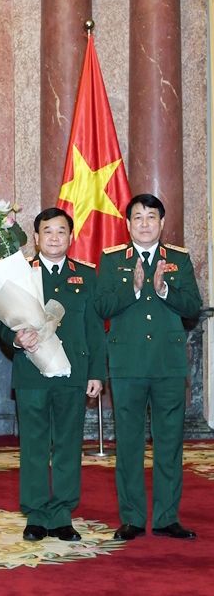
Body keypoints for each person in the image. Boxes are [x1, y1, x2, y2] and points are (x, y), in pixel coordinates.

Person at [95, 194, 202, 541]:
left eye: (151, 217)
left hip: (168, 364)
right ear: (128, 224)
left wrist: (163, 288)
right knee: (129, 445)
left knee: (169, 444)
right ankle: (132, 518)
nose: (144, 223)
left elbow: (193, 307)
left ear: (162, 223)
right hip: (127, 364)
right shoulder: (112, 260)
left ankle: (167, 517)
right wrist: (134, 288)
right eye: (138, 217)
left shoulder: (178, 259)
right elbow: (101, 307)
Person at [0, 207, 105, 542]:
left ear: (70, 237)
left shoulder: (86, 276)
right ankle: (36, 515)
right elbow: (3, 323)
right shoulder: (21, 274)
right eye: (48, 231)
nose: (54, 237)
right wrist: (15, 338)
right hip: (31, 373)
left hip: (73, 372)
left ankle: (61, 514)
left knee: (68, 445)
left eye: (61, 231)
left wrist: (96, 373)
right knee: (34, 444)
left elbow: (94, 329)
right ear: (36, 237)